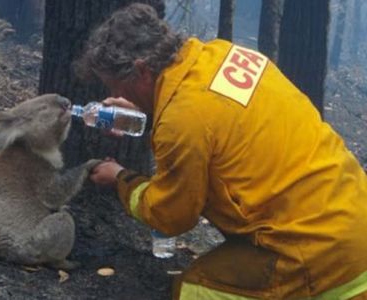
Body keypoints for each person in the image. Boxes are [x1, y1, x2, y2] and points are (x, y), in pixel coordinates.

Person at [77, 3, 367, 299]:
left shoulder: (183, 120)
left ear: (141, 71)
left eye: (118, 88)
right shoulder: (222, 54)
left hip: (320, 257)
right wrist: (150, 112)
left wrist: (121, 179)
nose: (117, 97)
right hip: (354, 217)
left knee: (194, 290)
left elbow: (171, 215)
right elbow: (212, 121)